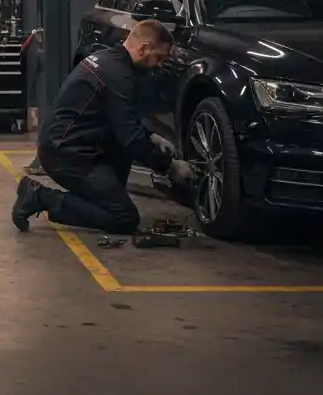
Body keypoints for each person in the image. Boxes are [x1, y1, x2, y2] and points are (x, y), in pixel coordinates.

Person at [12, 19, 194, 235]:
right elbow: (130, 139)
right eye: (159, 57)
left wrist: (151, 137)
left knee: (119, 162)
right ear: (143, 49)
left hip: (70, 145)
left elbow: (121, 120)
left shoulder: (109, 59)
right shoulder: (120, 77)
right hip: (64, 155)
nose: (160, 65)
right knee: (124, 218)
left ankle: (99, 196)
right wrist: (170, 166)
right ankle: (40, 197)